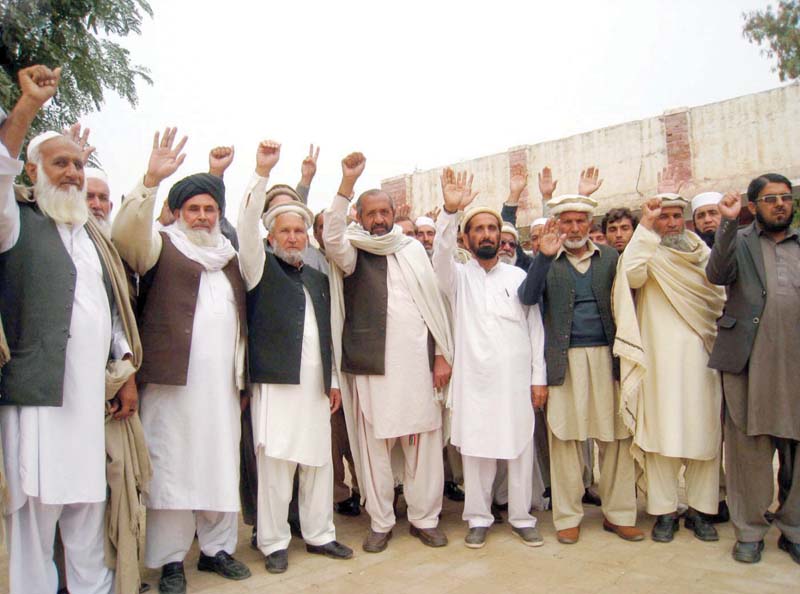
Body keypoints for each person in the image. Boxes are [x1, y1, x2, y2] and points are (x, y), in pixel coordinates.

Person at [0, 65, 145, 594]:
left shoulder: (91, 236)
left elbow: (110, 314)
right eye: (60, 163)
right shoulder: (15, 221)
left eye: (79, 165)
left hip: (89, 406)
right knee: (34, 517)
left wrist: (125, 374)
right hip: (37, 401)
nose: (72, 174)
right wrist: (26, 111)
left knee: (88, 508)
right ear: (32, 169)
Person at [112, 128, 250, 593]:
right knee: (171, 466)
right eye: (193, 208)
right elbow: (125, 236)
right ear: (177, 212)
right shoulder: (159, 243)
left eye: (210, 208)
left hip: (221, 389)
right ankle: (171, 560)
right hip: (172, 386)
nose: (202, 215)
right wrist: (151, 180)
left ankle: (216, 550)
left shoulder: (227, 254)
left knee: (218, 462)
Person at [323, 152, 454, 553]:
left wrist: (441, 355)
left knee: (423, 445)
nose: (378, 219)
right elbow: (330, 237)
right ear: (359, 217)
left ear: (394, 213)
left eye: (384, 212)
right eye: (371, 213)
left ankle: (424, 518)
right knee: (375, 447)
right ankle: (380, 521)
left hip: (418, 367)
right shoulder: (351, 251)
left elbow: (435, 304)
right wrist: (346, 185)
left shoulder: (413, 249)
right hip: (371, 369)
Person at [237, 139, 353, 573]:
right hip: (276, 384)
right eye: (284, 231)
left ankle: (321, 534)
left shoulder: (318, 276)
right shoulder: (258, 267)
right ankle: (273, 543)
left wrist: (335, 382)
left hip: (317, 387)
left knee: (319, 463)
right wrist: (261, 172)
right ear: (271, 236)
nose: (293, 237)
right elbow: (246, 224)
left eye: (299, 231)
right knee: (277, 466)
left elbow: (328, 336)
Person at [518, 194, 643, 545]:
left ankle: (619, 514)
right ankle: (568, 517)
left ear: (590, 224)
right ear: (557, 224)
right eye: (567, 222)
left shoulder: (611, 258)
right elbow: (527, 297)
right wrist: (542, 257)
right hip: (563, 361)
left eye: (580, 221)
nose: (574, 228)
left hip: (608, 358)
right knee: (565, 438)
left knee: (617, 437)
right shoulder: (546, 260)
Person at [433, 168, 546, 548]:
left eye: (492, 229)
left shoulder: (517, 278)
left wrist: (538, 378)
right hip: (475, 383)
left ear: (501, 236)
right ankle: (478, 517)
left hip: (515, 384)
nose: (486, 234)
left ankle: (520, 516)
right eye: (477, 229)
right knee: (478, 453)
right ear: (467, 238)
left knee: (519, 449)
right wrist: (450, 213)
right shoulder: (457, 278)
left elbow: (535, 331)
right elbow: (441, 256)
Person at [613, 193, 727, 544]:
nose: (672, 223)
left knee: (703, 435)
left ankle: (700, 511)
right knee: (660, 434)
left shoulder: (703, 255)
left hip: (702, 361)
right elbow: (630, 275)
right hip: (659, 364)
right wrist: (644, 228)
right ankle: (664, 512)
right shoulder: (647, 253)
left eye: (678, 216)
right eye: (665, 217)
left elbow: (719, 295)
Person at [706, 176, 800, 565]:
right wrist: (727, 222)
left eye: (785, 198)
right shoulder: (739, 239)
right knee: (748, 448)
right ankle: (750, 529)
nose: (779, 204)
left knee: (795, 447)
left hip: (795, 360)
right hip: (748, 359)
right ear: (753, 205)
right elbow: (716, 273)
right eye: (769, 199)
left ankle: (793, 527)